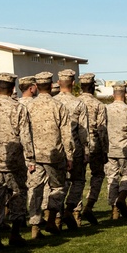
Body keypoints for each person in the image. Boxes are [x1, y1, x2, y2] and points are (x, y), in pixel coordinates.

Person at [0, 73, 33, 249]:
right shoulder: (18, 108)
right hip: (14, 161)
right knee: (17, 196)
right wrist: (31, 157)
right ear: (12, 88)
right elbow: (25, 136)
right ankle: (15, 233)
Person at [24, 71, 74, 236]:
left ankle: (35, 227)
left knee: (35, 189)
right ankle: (52, 218)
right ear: (52, 85)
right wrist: (70, 157)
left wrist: (27, 155)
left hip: (35, 155)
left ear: (36, 86)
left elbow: (23, 133)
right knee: (57, 188)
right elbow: (67, 135)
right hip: (55, 155)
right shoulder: (58, 106)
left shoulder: (27, 106)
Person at [57, 69, 89, 228]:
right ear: (73, 84)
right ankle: (70, 209)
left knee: (57, 184)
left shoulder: (53, 102)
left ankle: (56, 215)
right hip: (75, 149)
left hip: (56, 150)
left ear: (58, 83)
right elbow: (83, 132)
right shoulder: (78, 104)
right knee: (78, 181)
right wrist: (86, 151)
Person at [78, 72, 109, 223]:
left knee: (78, 179)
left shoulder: (74, 103)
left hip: (78, 144)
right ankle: (89, 206)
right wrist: (105, 150)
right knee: (97, 176)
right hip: (95, 144)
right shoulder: (99, 105)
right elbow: (102, 130)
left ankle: (75, 212)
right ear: (92, 87)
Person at [103, 81, 127, 219]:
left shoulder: (105, 109)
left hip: (110, 150)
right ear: (126, 95)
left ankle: (114, 210)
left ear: (112, 95)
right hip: (125, 150)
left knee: (112, 179)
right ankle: (122, 197)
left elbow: (101, 130)